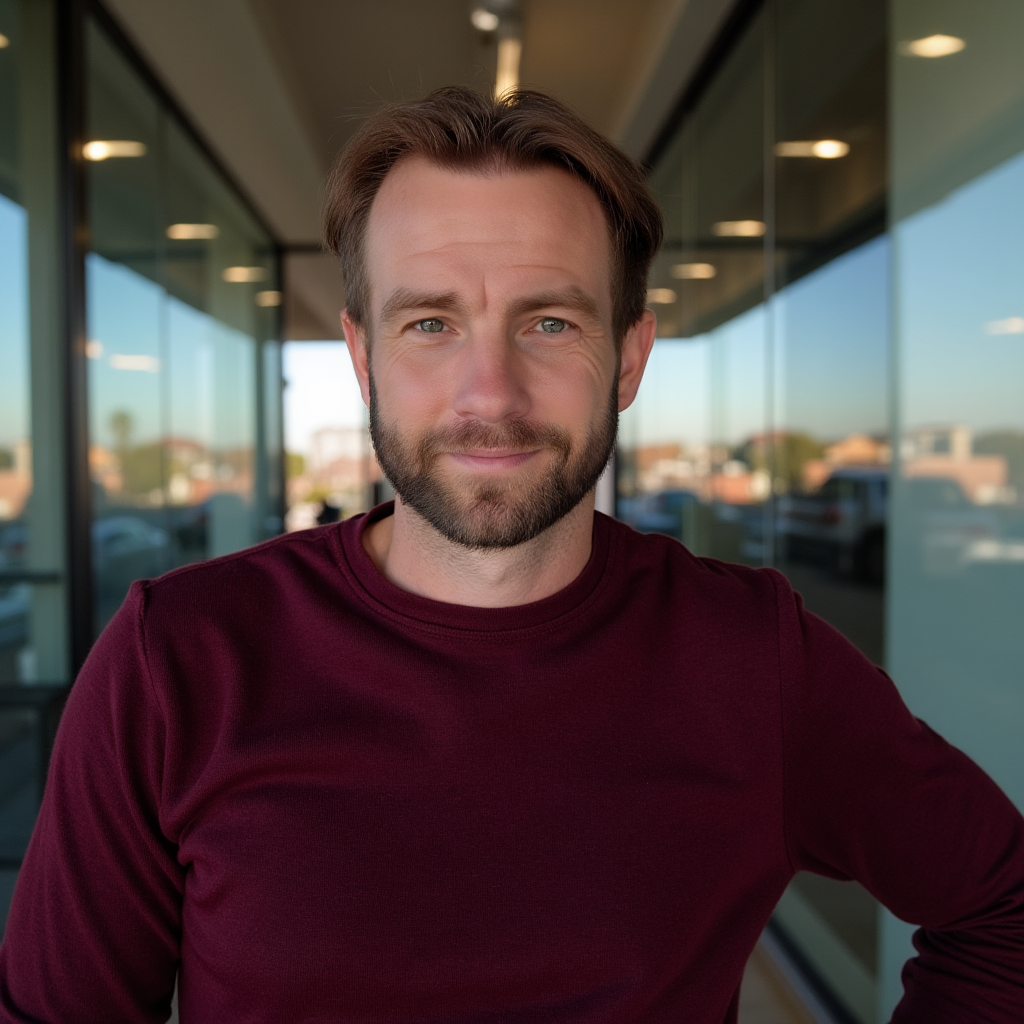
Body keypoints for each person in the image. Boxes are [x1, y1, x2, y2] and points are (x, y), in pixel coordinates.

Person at [1, 86, 1021, 1024]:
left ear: (625, 356)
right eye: (431, 322)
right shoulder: (178, 658)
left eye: (547, 320)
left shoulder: (753, 657)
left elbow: (1002, 908)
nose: (489, 393)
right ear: (363, 356)